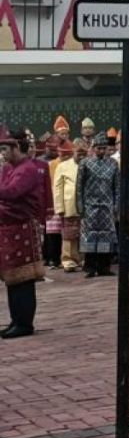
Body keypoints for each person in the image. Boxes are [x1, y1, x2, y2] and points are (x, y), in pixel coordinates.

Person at [0, 129, 46, 338]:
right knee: (12, 278)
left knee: (23, 279)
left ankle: (24, 323)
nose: (3, 154)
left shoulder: (27, 169)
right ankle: (16, 319)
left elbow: (11, 192)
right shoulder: (10, 168)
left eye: (5, 149)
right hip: (10, 228)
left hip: (23, 228)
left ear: (16, 147)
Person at [77, 135, 119, 277]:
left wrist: (116, 204)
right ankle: (90, 267)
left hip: (107, 205)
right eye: (99, 148)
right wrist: (80, 206)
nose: (101, 151)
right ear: (94, 148)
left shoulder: (113, 163)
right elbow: (79, 187)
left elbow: (117, 187)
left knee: (106, 236)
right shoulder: (85, 163)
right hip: (90, 205)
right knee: (90, 235)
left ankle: (104, 267)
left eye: (104, 148)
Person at [52, 140, 86, 273]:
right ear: (73, 152)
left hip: (86, 207)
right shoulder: (63, 166)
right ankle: (68, 260)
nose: (82, 156)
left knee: (84, 234)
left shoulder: (89, 164)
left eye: (84, 153)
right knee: (69, 235)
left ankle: (83, 259)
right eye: (79, 153)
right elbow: (58, 187)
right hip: (69, 205)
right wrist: (59, 207)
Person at [44, 139, 74, 267]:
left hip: (69, 203)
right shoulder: (51, 164)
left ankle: (67, 258)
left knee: (68, 232)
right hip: (53, 200)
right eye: (63, 154)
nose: (65, 156)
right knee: (52, 232)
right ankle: (53, 258)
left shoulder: (74, 164)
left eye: (68, 154)